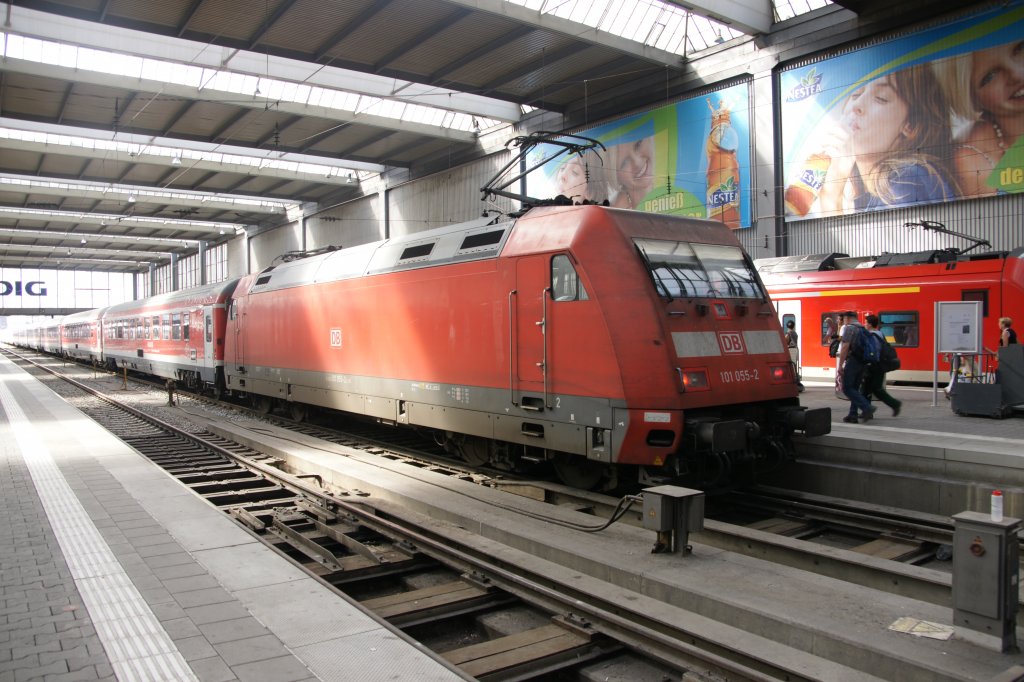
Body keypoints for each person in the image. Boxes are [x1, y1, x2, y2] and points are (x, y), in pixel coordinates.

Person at [813, 64, 958, 215]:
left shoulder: (906, 179)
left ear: (911, 125)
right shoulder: (867, 188)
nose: (857, 105)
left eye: (880, 98)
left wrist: (831, 196)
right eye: (855, 94)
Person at [934, 40, 1024, 197]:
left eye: (1020, 49)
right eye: (990, 76)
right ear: (971, 99)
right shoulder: (972, 160)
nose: (1016, 73)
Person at [837, 311, 875, 423]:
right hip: (863, 362)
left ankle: (867, 407)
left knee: (847, 388)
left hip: (853, 361)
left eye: (843, 318)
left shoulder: (849, 328)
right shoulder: (862, 328)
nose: (843, 321)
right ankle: (852, 414)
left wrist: (840, 365)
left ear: (848, 318)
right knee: (855, 388)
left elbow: (845, 347)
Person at [861, 314, 901, 416]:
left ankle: (895, 404)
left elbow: (873, 352)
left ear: (870, 324)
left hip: (875, 366)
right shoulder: (880, 334)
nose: (864, 324)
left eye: (865, 322)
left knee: (874, 388)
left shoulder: (872, 336)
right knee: (867, 388)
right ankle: (867, 411)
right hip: (880, 365)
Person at [607, 135, 655, 208]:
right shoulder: (617, 214)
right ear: (616, 177)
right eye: (624, 162)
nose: (637, 163)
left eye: (638, 145)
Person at [784, 320, 804, 391]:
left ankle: (794, 381)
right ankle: (796, 379)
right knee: (794, 365)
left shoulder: (788, 333)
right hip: (795, 349)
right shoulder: (795, 333)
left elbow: (786, 342)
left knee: (792, 365)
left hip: (791, 349)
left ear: (787, 326)